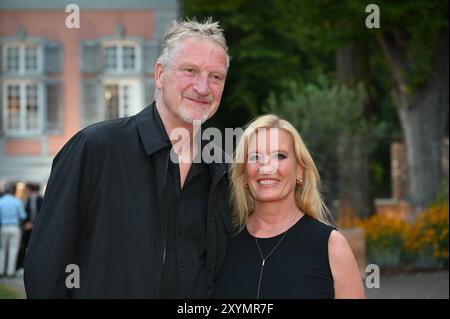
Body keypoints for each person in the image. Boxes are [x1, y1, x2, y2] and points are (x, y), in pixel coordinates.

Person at [24, 18, 232, 298]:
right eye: (190, 70)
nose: (203, 87)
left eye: (215, 76)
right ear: (160, 74)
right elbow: (46, 267)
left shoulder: (222, 170)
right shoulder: (95, 148)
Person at [213, 115, 365, 299]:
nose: (266, 167)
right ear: (244, 174)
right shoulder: (221, 241)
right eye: (255, 157)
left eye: (279, 156)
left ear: (299, 170)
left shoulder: (332, 247)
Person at [16, 183, 43, 275]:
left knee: (26, 247)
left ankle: (22, 268)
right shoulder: (38, 198)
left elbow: (35, 214)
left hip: (32, 228)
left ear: (30, 189)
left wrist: (31, 224)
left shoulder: (33, 199)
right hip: (35, 228)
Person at [0, 183, 27, 277]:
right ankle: (10, 272)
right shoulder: (17, 202)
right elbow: (23, 216)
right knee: (13, 249)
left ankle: (1, 270)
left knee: (2, 250)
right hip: (15, 227)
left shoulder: (1, 201)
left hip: (3, 227)